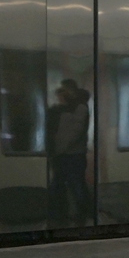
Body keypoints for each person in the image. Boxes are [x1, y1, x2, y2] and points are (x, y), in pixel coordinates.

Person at [50, 80, 91, 221]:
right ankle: (63, 213)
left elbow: (74, 132)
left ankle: (82, 214)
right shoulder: (65, 108)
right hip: (64, 154)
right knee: (61, 185)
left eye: (64, 90)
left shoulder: (80, 107)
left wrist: (59, 149)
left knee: (75, 185)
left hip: (73, 154)